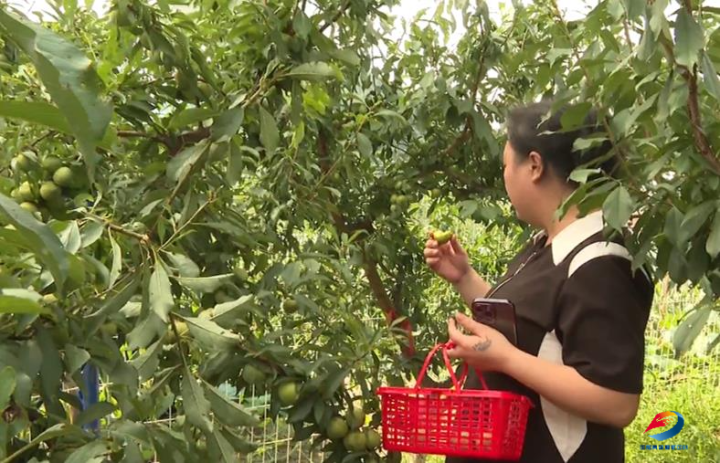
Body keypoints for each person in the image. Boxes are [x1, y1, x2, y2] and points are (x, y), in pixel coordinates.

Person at [423, 100, 654, 463]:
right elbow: (534, 334)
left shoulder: (602, 262)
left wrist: (505, 360)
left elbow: (616, 401)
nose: (504, 177)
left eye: (505, 166)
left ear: (533, 165)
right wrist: (464, 278)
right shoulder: (546, 246)